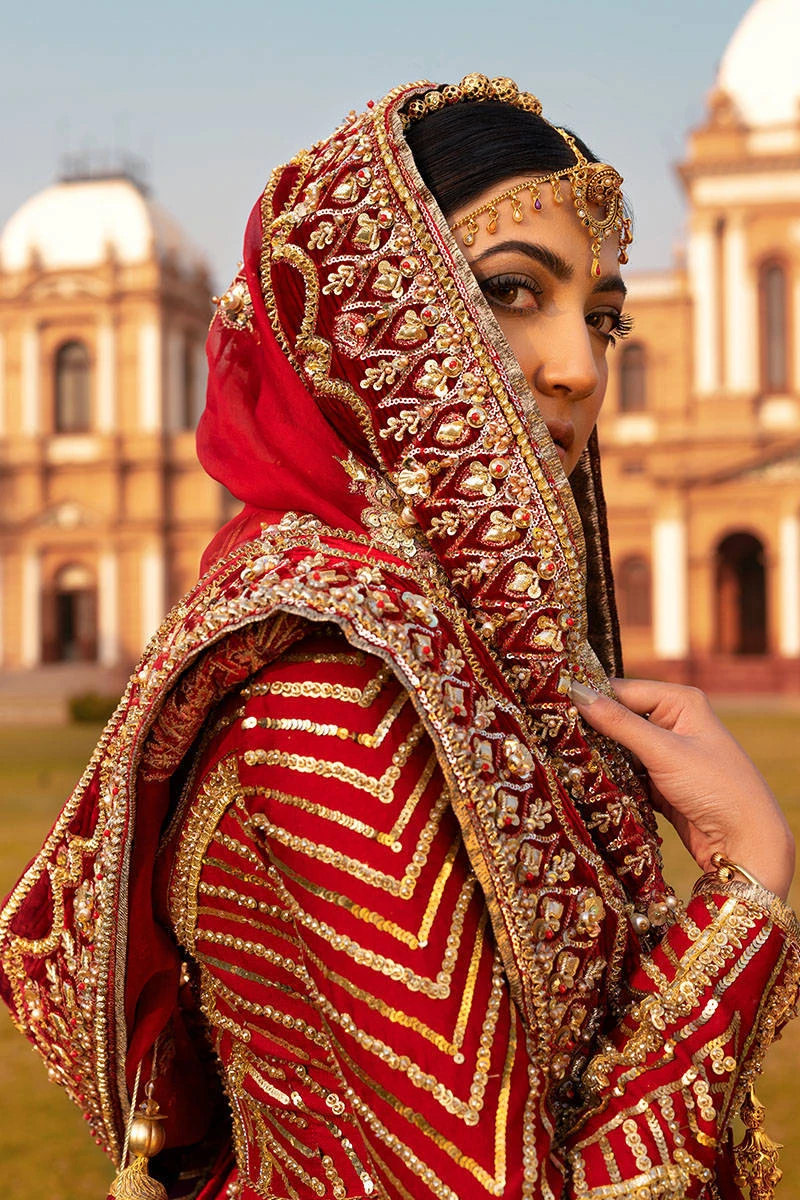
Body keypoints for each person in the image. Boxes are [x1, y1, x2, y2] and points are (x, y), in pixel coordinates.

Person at [0, 74, 797, 1200]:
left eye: (604, 315)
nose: (578, 365)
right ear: (369, 319)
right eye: (513, 293)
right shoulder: (332, 698)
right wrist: (746, 888)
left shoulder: (469, 660)